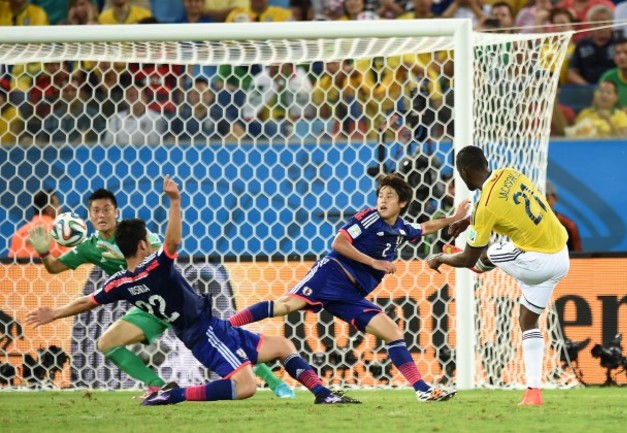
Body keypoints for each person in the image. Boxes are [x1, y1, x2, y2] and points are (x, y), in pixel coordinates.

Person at [26, 177, 359, 406]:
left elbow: (89, 300)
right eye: (94, 211)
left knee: (282, 345)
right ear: (143, 245)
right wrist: (175, 200)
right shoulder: (152, 263)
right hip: (196, 328)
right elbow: (171, 243)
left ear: (115, 213)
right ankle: (170, 393)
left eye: (105, 210)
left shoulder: (118, 283)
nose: (100, 215)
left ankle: (320, 393)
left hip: (190, 318)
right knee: (244, 387)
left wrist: (53, 311)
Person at [227, 173, 470, 402]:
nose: (382, 200)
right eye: (381, 195)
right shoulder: (368, 217)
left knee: (393, 332)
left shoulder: (401, 228)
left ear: (403, 203)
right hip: (330, 275)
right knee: (285, 306)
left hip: (350, 295)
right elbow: (339, 243)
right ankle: (225, 327)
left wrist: (454, 218)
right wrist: (373, 262)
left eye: (389, 196)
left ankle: (422, 390)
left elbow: (426, 227)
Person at [426, 146, 570, 407]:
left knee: (486, 254)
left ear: (463, 172)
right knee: (527, 319)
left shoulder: (485, 207)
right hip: (561, 255)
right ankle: (533, 392)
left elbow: (468, 255)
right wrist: (469, 220)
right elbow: (494, 207)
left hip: (536, 260)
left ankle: (480, 265)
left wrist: (441, 258)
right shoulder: (509, 174)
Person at [9, 189, 68, 259]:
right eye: (57, 205)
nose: (60, 209)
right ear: (49, 209)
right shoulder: (61, 231)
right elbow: (69, 262)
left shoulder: (19, 234)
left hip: (24, 270)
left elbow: (10, 265)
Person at [545, 181, 582, 252]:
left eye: (547, 197)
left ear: (555, 199)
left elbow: (578, 256)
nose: (543, 201)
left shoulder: (569, 226)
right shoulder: (527, 224)